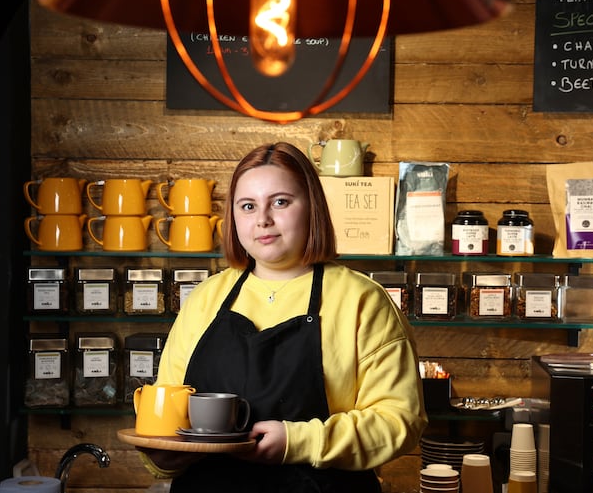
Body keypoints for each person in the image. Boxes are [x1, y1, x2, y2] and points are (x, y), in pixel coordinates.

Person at [138, 142, 428, 492]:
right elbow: (167, 412)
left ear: (312, 207)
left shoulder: (362, 301)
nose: (263, 219)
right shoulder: (204, 299)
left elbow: (399, 422)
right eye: (248, 206)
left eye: (280, 202)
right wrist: (162, 457)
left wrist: (297, 440)